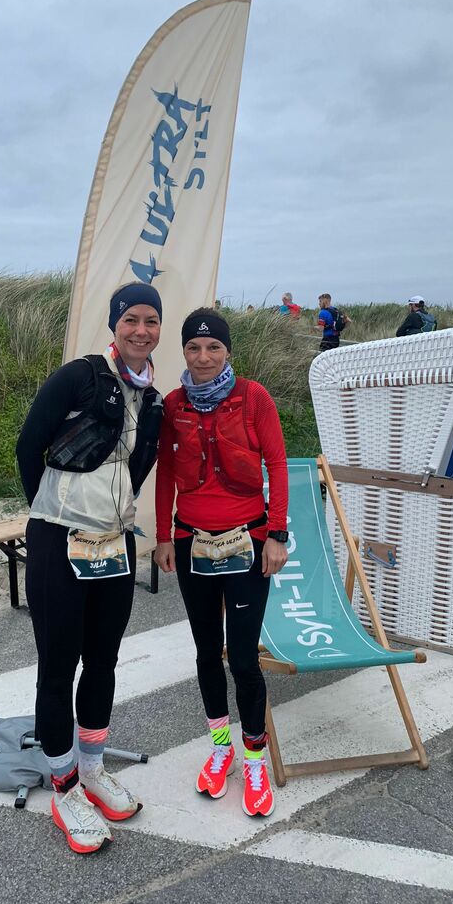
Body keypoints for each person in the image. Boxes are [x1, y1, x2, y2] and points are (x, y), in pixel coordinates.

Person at [16, 282, 163, 854]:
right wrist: (53, 514)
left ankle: (94, 768)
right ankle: (64, 786)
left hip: (114, 545)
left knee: (103, 659)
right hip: (60, 542)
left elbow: (140, 467)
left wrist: (112, 515)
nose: (141, 330)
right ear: (115, 324)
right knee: (59, 665)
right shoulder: (77, 377)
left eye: (151, 321)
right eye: (131, 320)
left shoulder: (153, 398)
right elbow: (29, 447)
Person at [154, 308, 289, 818]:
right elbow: (166, 470)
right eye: (194, 348)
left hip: (247, 541)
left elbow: (276, 462)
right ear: (184, 352)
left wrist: (277, 535)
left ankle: (254, 754)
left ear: (227, 351)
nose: (204, 357)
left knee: (245, 657)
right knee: (207, 651)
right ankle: (221, 745)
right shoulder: (174, 404)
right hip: (192, 543)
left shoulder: (253, 397)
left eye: (213, 348)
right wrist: (165, 536)